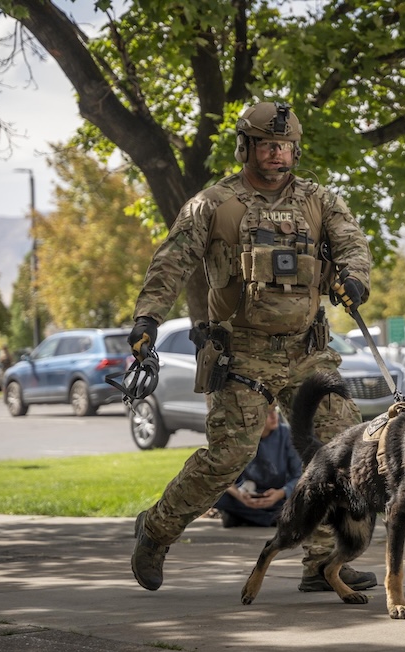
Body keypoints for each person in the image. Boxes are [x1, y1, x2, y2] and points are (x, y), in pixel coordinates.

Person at [128, 100, 375, 593]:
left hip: (307, 349)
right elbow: (172, 261)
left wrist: (353, 279)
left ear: (295, 149)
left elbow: (352, 244)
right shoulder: (214, 204)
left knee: (339, 451)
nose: (275, 154)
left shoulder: (319, 200)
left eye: (283, 145)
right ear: (246, 146)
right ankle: (155, 531)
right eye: (265, 144)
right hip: (239, 351)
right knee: (229, 456)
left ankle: (324, 563)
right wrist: (148, 318)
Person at [213, 407, 302, 528]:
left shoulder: (287, 435)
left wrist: (281, 493)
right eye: (267, 413)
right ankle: (274, 519)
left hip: (279, 496)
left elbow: (300, 475)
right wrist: (240, 496)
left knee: (303, 499)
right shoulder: (239, 437)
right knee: (214, 494)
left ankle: (245, 517)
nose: (273, 416)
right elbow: (223, 476)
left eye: (274, 411)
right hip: (248, 495)